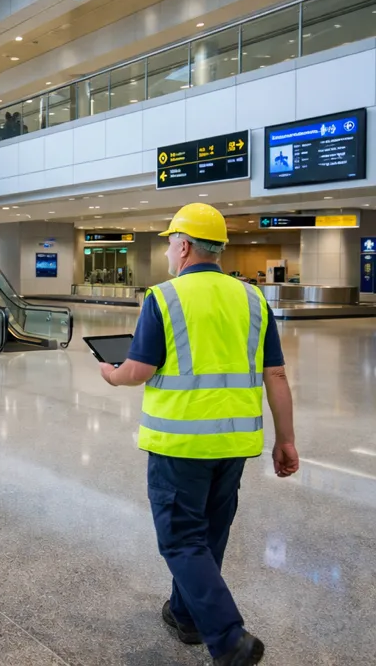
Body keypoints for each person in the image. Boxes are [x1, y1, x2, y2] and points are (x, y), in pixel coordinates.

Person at [100, 203, 299, 666]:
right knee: (209, 532)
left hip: (181, 443)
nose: (169, 252)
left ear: (184, 246)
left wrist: (111, 375)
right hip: (234, 444)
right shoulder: (253, 299)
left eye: (171, 243)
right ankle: (186, 616)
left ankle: (228, 638)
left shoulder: (164, 297)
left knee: (181, 538)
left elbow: (138, 370)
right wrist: (285, 440)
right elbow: (278, 377)